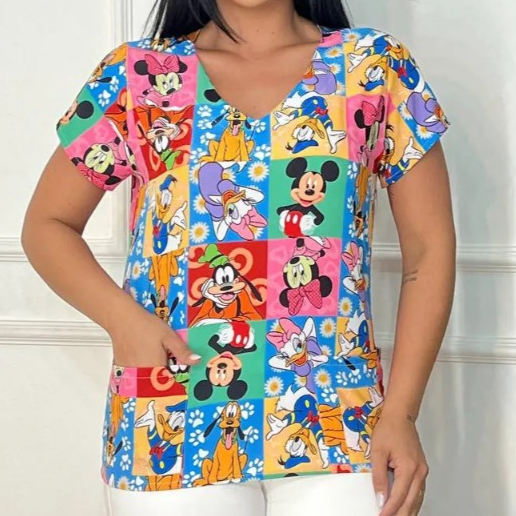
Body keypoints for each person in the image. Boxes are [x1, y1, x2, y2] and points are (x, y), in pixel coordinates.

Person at [21, 0, 456, 515]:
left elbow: (428, 253)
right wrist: (123, 321)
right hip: (169, 419)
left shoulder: (374, 67)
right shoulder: (137, 76)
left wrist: (401, 414)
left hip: (339, 420)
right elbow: (47, 226)